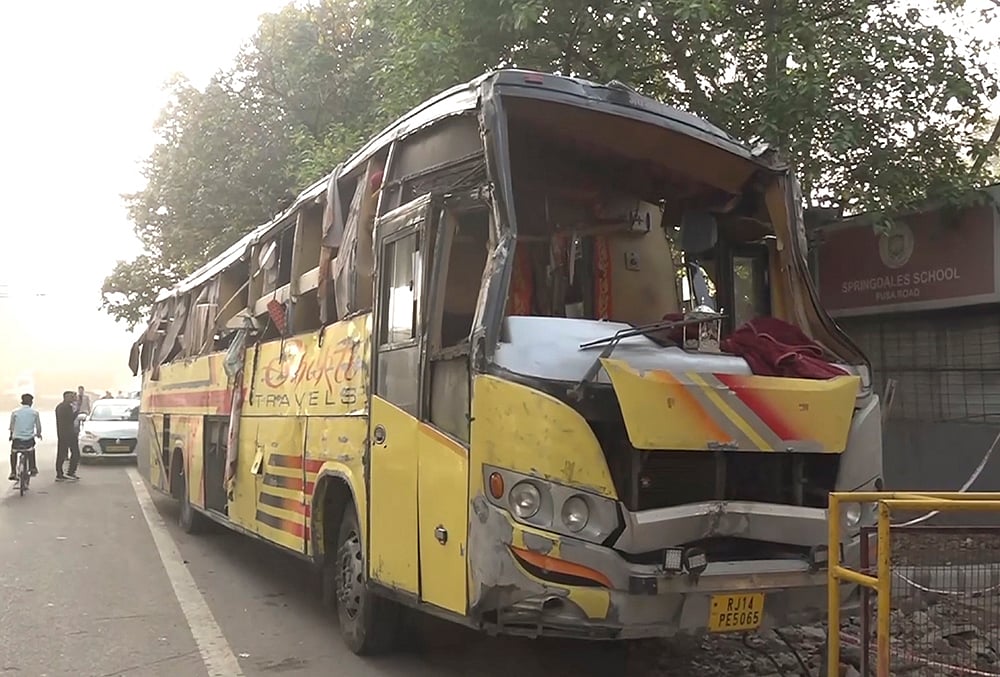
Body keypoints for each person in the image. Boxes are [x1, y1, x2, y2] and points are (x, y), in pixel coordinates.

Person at [9, 393, 41, 480]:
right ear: (31, 402)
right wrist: (38, 434)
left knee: (14, 452)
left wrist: (11, 435)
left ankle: (13, 472)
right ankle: (33, 468)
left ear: (21, 402)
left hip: (17, 439)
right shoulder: (34, 413)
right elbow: (38, 426)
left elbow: (12, 426)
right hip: (28, 439)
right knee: (31, 450)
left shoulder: (15, 412)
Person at [55, 390, 81, 481]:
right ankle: (68, 472)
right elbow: (70, 419)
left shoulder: (60, 407)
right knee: (75, 453)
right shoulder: (65, 407)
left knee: (62, 454)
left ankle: (60, 473)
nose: (73, 398)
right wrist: (77, 412)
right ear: (65, 397)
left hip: (63, 433)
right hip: (68, 433)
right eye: (71, 396)